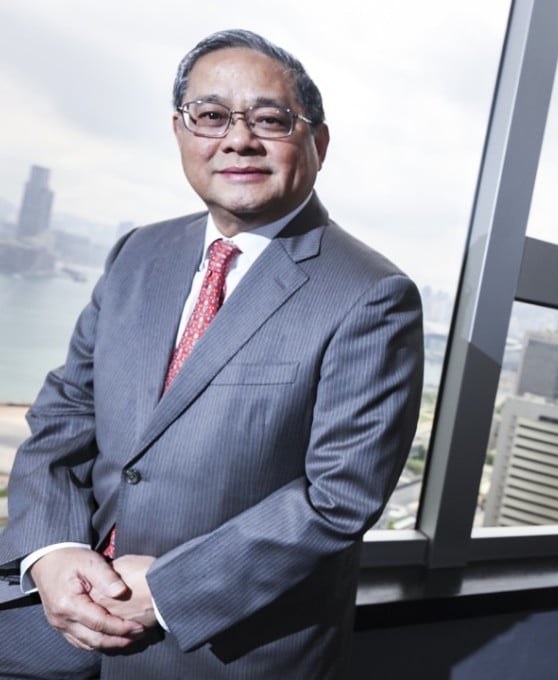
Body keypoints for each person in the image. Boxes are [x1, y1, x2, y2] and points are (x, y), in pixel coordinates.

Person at [0, 28, 424, 678]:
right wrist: (51, 551)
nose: (238, 139)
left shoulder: (372, 295)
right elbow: (65, 417)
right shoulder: (139, 252)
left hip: (213, 649)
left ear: (319, 142)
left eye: (270, 119)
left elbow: (338, 496)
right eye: (210, 116)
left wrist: (171, 589)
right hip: (48, 617)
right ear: (180, 133)